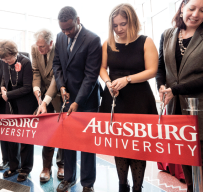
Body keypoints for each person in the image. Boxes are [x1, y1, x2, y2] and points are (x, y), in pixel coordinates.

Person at [99, 4, 158, 192]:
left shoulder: (145, 41)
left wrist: (128, 79)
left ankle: (138, 188)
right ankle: (122, 186)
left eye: (123, 24)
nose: (119, 29)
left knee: (138, 147)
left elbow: (152, 71)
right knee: (120, 145)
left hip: (139, 99)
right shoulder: (108, 43)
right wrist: (108, 83)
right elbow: (102, 69)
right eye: (115, 25)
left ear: (132, 21)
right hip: (115, 99)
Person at [53, 6, 102, 192]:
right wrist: (61, 87)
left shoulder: (92, 39)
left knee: (87, 144)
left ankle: (87, 183)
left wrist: (77, 102)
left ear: (78, 20)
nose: (66, 33)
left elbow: (91, 76)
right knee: (68, 141)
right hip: (67, 97)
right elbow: (56, 64)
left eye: (69, 29)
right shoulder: (60, 36)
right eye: (63, 29)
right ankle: (69, 178)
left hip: (87, 100)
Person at [156, 0, 203, 191]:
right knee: (184, 153)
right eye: (192, 8)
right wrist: (160, 86)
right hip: (175, 107)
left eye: (202, 10)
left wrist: (175, 90)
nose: (196, 14)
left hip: (200, 106)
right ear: (182, 6)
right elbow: (160, 68)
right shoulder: (167, 34)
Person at [0, 40, 37, 182]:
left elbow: (27, 87)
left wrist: (8, 95)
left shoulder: (25, 62)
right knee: (12, 135)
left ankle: (25, 168)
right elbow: (3, 78)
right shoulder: (5, 62)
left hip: (25, 104)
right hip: (11, 105)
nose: (6, 61)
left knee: (25, 138)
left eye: (8, 58)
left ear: (14, 53)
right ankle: (14, 166)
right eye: (3, 59)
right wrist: (2, 87)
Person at [32, 29, 64, 182]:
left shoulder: (60, 49)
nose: (39, 50)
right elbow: (37, 71)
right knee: (47, 132)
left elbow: (56, 78)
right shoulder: (35, 48)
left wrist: (46, 100)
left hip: (58, 95)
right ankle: (46, 167)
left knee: (62, 132)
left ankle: (62, 164)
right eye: (37, 46)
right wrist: (36, 88)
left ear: (51, 43)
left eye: (42, 47)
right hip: (42, 95)